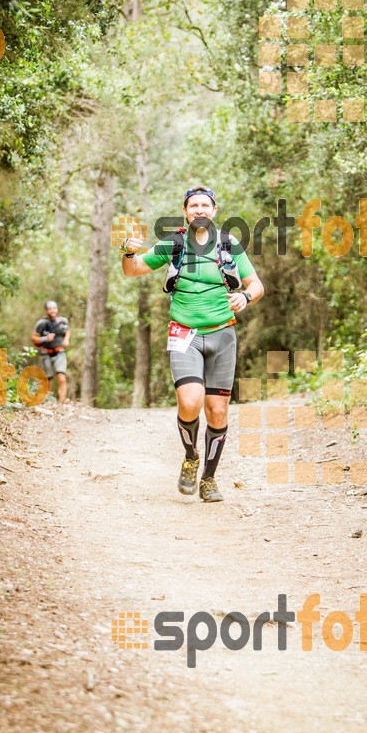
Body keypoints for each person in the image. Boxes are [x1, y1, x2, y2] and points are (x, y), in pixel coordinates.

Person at [122, 186, 264, 502]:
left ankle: (209, 479)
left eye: (205, 205)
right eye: (193, 205)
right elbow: (134, 270)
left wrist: (245, 296)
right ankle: (190, 457)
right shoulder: (174, 244)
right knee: (189, 401)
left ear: (213, 211)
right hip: (184, 332)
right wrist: (129, 252)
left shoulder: (229, 245)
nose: (199, 210)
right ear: (186, 212)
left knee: (217, 410)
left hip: (223, 334)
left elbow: (257, 285)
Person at [31, 301, 70, 403]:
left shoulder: (63, 321)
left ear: (57, 309)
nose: (52, 310)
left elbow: (67, 331)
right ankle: (47, 400)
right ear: (46, 310)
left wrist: (66, 339)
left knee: (62, 377)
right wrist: (45, 339)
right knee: (48, 379)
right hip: (46, 353)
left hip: (59, 352)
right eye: (50, 308)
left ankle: (62, 401)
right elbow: (34, 338)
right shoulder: (42, 323)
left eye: (54, 308)